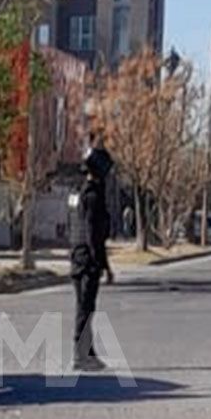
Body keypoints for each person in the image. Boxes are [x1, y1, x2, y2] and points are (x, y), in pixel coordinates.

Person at [70, 143, 115, 371]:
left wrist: (105, 264)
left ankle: (88, 351)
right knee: (84, 307)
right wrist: (99, 261)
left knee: (88, 307)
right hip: (85, 259)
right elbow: (91, 233)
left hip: (84, 257)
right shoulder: (91, 194)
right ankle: (81, 354)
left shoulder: (88, 191)